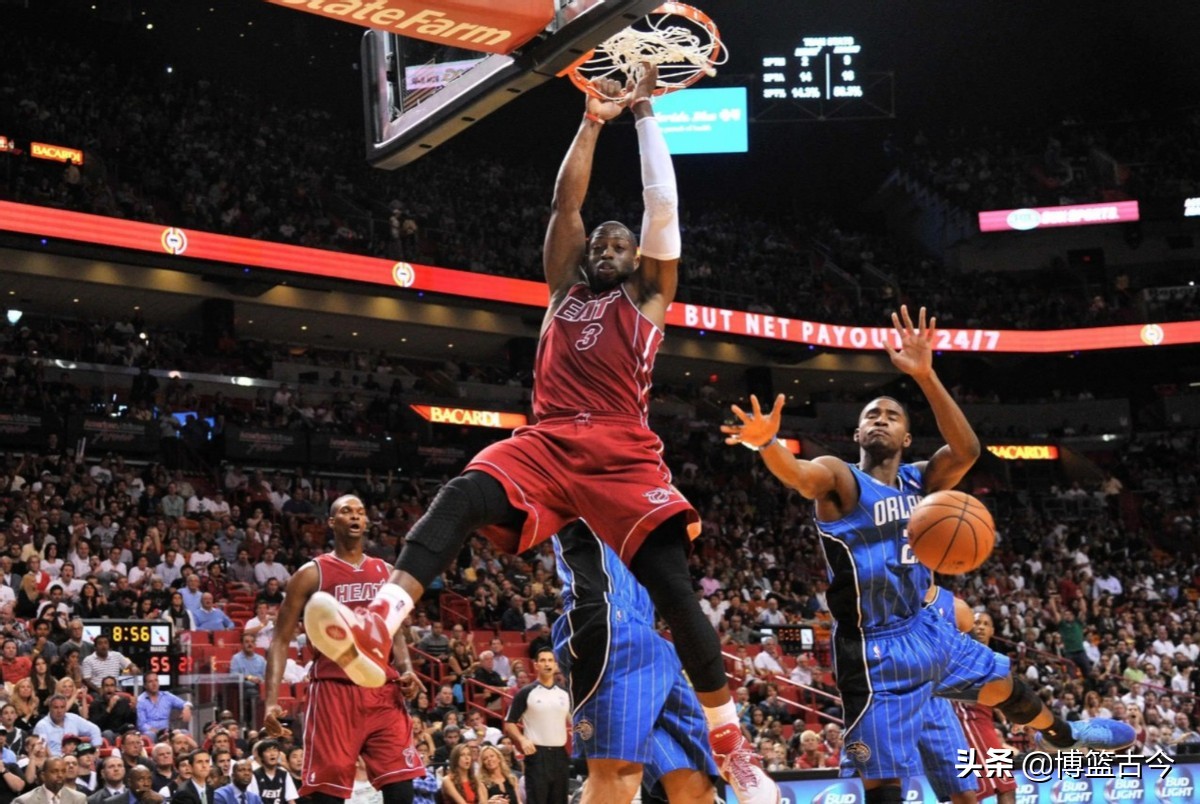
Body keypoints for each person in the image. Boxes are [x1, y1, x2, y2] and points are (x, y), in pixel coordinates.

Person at [304, 64, 776, 804]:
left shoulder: (650, 299)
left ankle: (731, 743)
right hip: (551, 440)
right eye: (603, 241)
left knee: (675, 592)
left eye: (622, 243)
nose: (609, 247)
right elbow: (566, 202)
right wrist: (592, 117)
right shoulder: (563, 293)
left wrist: (645, 114)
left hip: (621, 447)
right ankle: (380, 618)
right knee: (463, 492)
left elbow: (662, 206)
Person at [723, 305, 1136, 804]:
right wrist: (768, 445)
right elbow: (798, 474)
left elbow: (966, 451)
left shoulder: (921, 480)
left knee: (1006, 686)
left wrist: (925, 374)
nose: (880, 419)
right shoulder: (840, 478)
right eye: (870, 415)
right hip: (874, 648)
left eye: (891, 415)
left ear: (907, 436)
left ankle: (1063, 735)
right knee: (883, 784)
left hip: (927, 627)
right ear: (856, 434)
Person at [262, 495, 424, 804]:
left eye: (361, 512)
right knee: (328, 794)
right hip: (334, 691)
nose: (355, 516)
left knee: (402, 788)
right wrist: (271, 701)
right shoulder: (311, 574)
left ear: (366, 523)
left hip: (382, 690)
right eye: (346, 511)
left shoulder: (386, 571)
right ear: (331, 522)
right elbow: (280, 639)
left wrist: (405, 668)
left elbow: (396, 628)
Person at [550, 521, 715, 804]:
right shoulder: (580, 480)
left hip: (649, 634)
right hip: (608, 616)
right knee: (618, 774)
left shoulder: (649, 494)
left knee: (695, 787)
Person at [951, 613, 1017, 804]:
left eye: (986, 624)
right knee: (988, 790)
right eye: (977, 623)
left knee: (1006, 786)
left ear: (992, 631)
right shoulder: (962, 651)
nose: (980, 627)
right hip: (967, 722)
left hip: (983, 723)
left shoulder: (995, 658)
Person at [503, 650, 570, 804]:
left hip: (560, 755)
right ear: (536, 665)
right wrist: (522, 739)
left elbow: (576, 722)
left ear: (555, 665)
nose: (547, 664)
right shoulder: (526, 692)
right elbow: (509, 722)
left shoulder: (565, 693)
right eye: (543, 660)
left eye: (550, 660)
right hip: (537, 755)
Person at [32, 695, 102, 756]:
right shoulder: (41, 726)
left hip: (74, 759)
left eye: (62, 707)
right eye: (56, 707)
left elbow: (94, 729)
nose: (59, 711)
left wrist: (96, 750)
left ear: (66, 708)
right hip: (53, 761)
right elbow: (41, 750)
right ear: (50, 708)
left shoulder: (73, 718)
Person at [136, 673, 192, 737]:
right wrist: (156, 731)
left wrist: (187, 708)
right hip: (151, 732)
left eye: (156, 680)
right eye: (150, 682)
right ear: (145, 685)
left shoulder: (166, 696)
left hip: (167, 732)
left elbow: (185, 703)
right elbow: (141, 724)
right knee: (150, 734)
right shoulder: (141, 700)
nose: (154, 684)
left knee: (185, 733)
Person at [13, 758, 86, 804]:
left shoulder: (78, 799)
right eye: (54, 771)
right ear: (43, 776)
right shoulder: (25, 801)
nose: (60, 775)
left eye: (63, 771)